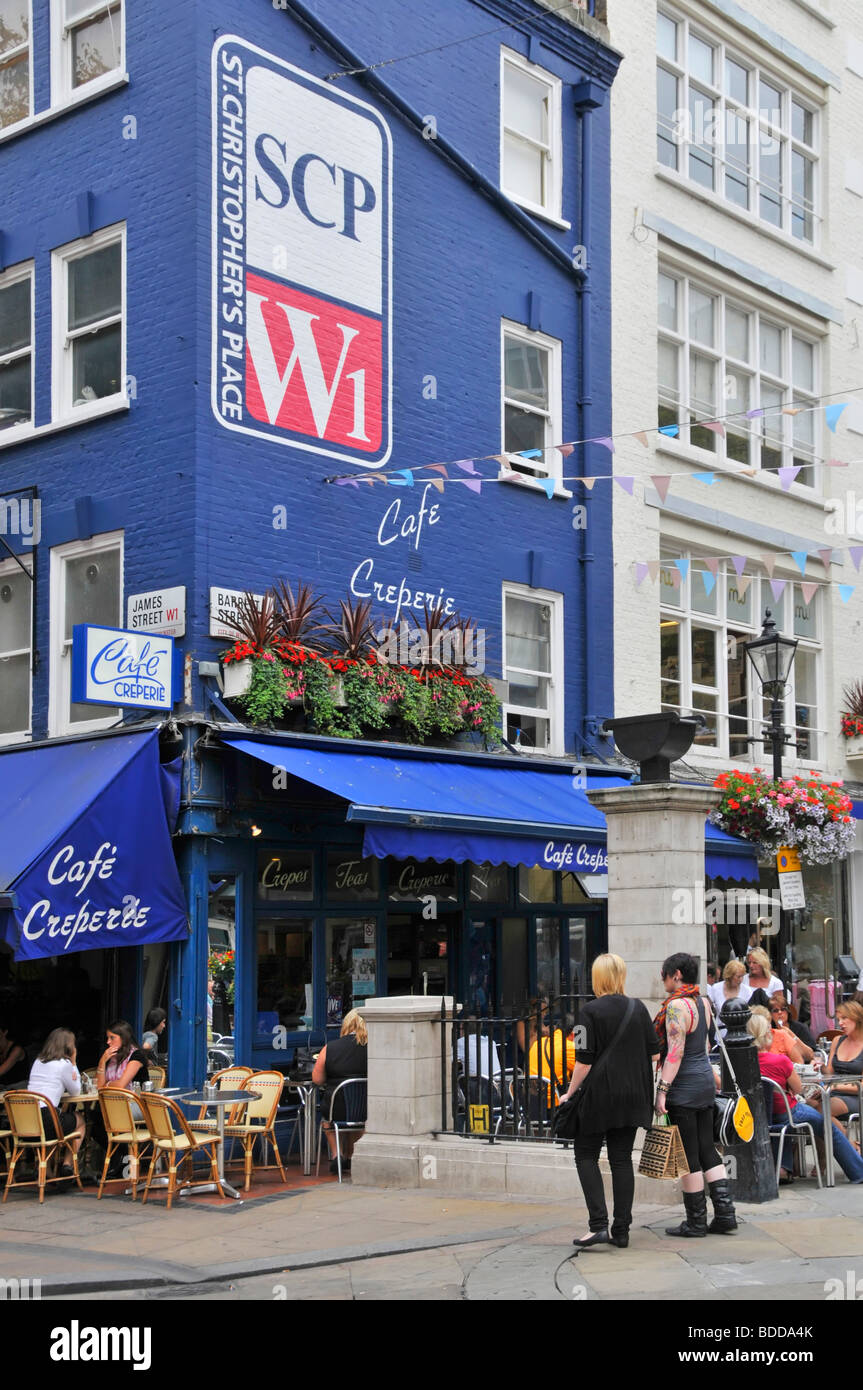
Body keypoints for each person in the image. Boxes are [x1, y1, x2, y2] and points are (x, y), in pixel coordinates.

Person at [558, 954, 659, 1250]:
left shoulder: (587, 1011)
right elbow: (655, 1055)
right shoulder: (638, 1008)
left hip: (599, 1096)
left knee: (585, 1155)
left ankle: (598, 1225)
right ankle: (622, 1230)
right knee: (621, 1159)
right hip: (634, 1096)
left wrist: (569, 1093)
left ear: (597, 978)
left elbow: (583, 1061)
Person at [655, 952, 737, 1237]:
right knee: (706, 1148)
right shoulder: (702, 1001)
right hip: (704, 1082)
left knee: (689, 1157)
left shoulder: (677, 1005)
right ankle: (725, 1215)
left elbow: (675, 1055)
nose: (662, 980)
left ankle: (696, 1221)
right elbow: (703, 1045)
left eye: (664, 974)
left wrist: (662, 1091)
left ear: (676, 974)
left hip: (684, 1087)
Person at [748, 1012, 863, 1185]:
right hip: (787, 1112)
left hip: (759, 1114)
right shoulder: (780, 1061)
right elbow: (799, 1088)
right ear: (767, 1036)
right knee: (827, 1126)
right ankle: (858, 1171)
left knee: (792, 1118)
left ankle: (783, 1169)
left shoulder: (746, 1061)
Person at [312, 1008, 367, 1175]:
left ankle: (337, 1154)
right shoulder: (374, 1048)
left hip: (337, 1106)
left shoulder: (331, 1048)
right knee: (358, 1119)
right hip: (366, 1106)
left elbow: (317, 1079)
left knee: (327, 1120)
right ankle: (353, 1155)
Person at [26, 1028, 85, 1167]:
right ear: (69, 1046)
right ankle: (67, 1164)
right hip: (47, 1119)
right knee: (80, 1120)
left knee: (59, 1119)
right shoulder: (64, 1064)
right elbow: (76, 1091)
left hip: (28, 1121)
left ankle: (47, 1172)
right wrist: (74, 1063)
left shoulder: (38, 1061)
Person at [811, 1001, 863, 1124]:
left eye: (844, 1018)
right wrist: (821, 1066)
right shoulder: (837, 1040)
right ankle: (841, 1143)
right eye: (839, 1019)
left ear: (857, 1017)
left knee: (823, 1110)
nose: (840, 1023)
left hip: (857, 1096)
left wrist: (831, 1087)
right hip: (832, 1093)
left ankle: (848, 1144)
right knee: (807, 1108)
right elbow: (830, 1073)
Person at [707, 960, 750, 1038]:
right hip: (720, 1034)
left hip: (741, 1034)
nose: (741, 979)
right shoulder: (716, 988)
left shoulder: (747, 991)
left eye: (742, 976)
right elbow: (708, 1011)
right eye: (738, 976)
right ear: (729, 976)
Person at [769, 993, 816, 1060]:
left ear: (788, 1011)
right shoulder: (769, 1031)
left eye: (783, 1009)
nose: (780, 1012)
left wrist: (791, 1034)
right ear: (770, 1014)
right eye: (775, 1010)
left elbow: (810, 1055)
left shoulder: (800, 1028)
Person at [0, 1020, 29, 1086]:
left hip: (19, 1087)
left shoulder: (17, 1049)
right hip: (4, 1087)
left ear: (5, 1032)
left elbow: (1, 1071)